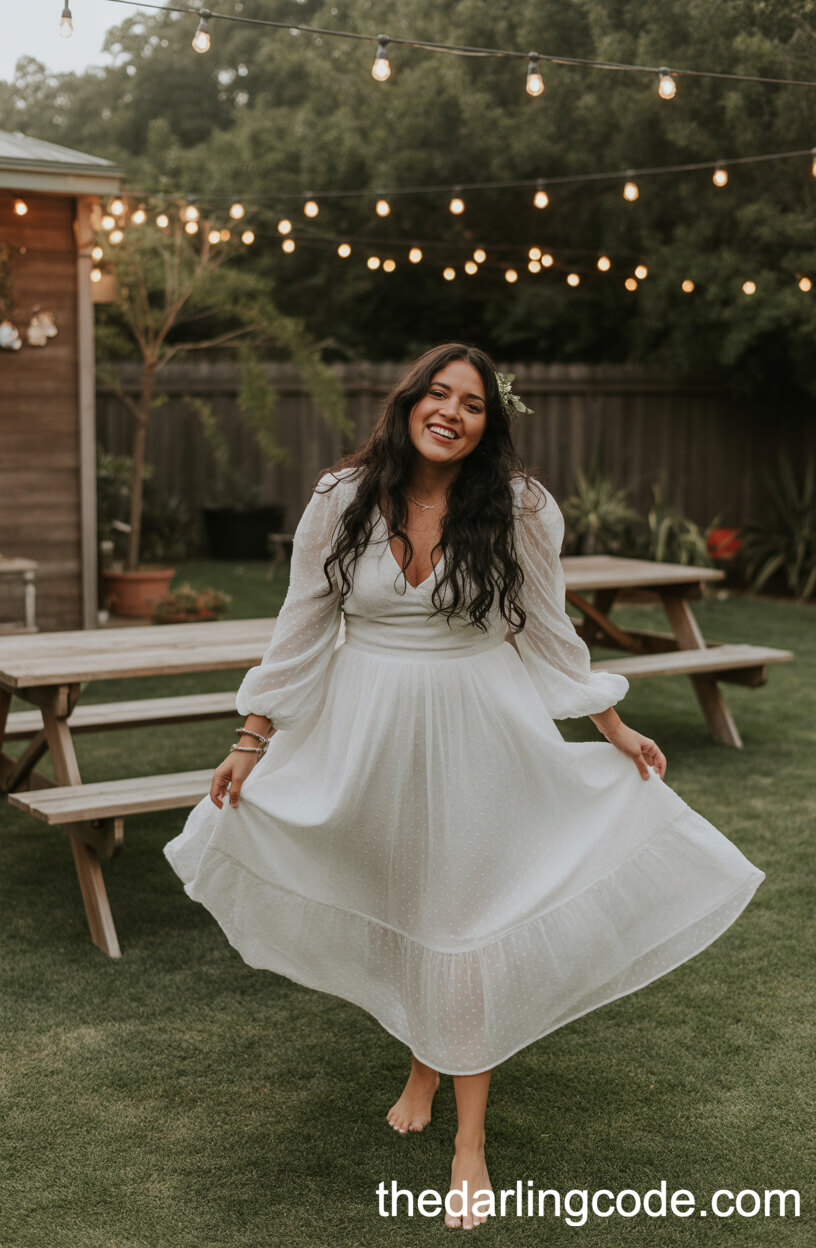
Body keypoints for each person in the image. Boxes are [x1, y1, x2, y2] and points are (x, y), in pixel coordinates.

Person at [164, 343, 765, 1230]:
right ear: (408, 403)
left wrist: (612, 722)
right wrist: (252, 739)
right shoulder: (343, 498)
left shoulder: (518, 507)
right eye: (437, 394)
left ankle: (469, 1144)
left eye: (473, 403)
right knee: (409, 902)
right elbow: (302, 627)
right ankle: (422, 1063)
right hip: (365, 736)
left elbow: (549, 632)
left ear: (492, 421)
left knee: (466, 919)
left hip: (479, 733)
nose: (452, 412)